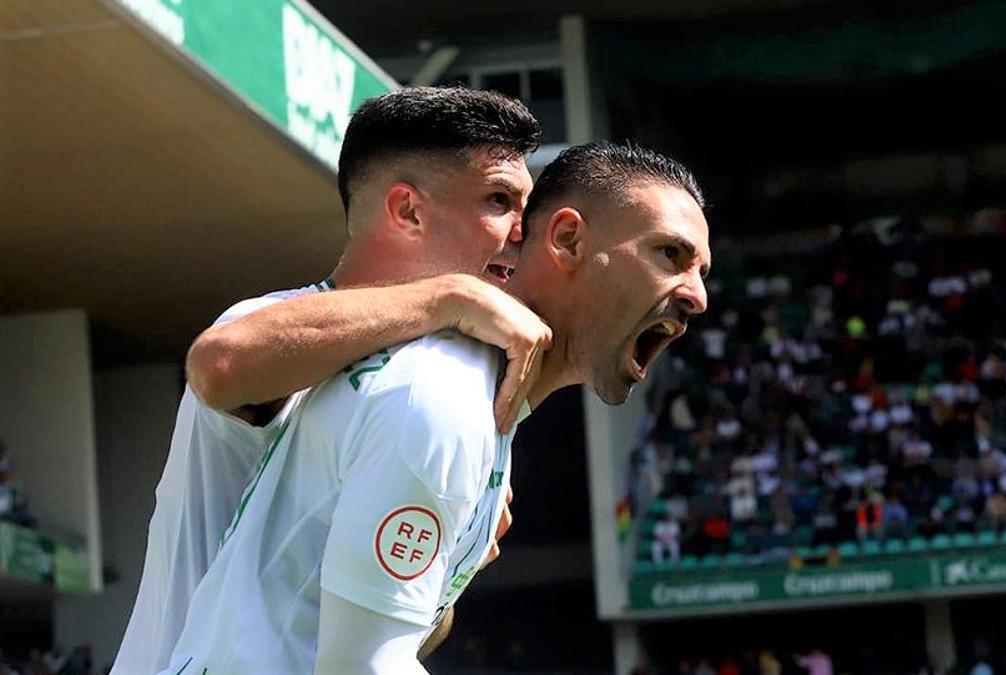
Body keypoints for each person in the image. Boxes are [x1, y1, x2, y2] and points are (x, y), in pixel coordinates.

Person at [157, 141, 708, 674]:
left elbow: (376, 632)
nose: (696, 296)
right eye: (671, 255)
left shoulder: (480, 406)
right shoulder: (438, 391)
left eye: (700, 272)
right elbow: (363, 665)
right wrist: (451, 295)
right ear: (566, 239)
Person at [112, 87, 547, 675]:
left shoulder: (445, 382)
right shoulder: (269, 320)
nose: (523, 230)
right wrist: (451, 294)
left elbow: (380, 638)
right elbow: (220, 364)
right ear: (408, 210)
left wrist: (449, 575)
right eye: (500, 200)